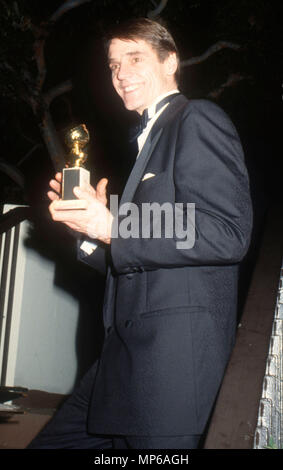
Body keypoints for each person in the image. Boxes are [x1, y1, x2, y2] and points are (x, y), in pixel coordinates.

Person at [28, 18, 253, 450]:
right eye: (113, 65)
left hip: (170, 374)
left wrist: (113, 224)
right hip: (122, 364)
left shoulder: (197, 118)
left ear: (171, 62)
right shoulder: (150, 141)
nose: (121, 73)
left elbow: (226, 231)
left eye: (135, 58)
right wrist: (90, 230)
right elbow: (147, 250)